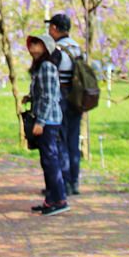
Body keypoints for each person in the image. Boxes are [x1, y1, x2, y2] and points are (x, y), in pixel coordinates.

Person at [27, 33, 69, 216]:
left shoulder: (47, 67)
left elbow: (50, 96)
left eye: (37, 44)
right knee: (47, 161)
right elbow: (43, 92)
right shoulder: (40, 67)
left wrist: (41, 122)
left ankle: (60, 199)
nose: (32, 47)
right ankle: (50, 199)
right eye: (32, 43)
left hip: (49, 121)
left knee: (51, 160)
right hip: (45, 118)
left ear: (45, 47)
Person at [47, 13, 83, 195]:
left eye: (50, 27)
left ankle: (65, 182)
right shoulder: (77, 48)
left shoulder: (57, 50)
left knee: (60, 140)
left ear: (54, 28)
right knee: (73, 140)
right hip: (76, 98)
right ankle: (75, 181)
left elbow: (51, 75)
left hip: (61, 98)